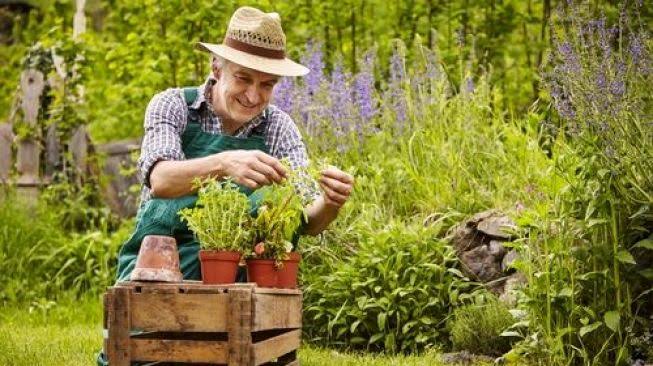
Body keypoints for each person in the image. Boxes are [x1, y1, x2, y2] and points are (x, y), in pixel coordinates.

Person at [97, 6, 353, 365]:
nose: (253, 95)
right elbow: (161, 179)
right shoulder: (174, 107)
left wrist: (330, 202)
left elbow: (307, 218)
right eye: (244, 79)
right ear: (216, 69)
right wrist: (224, 163)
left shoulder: (278, 128)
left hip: (246, 294)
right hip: (161, 286)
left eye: (267, 85)